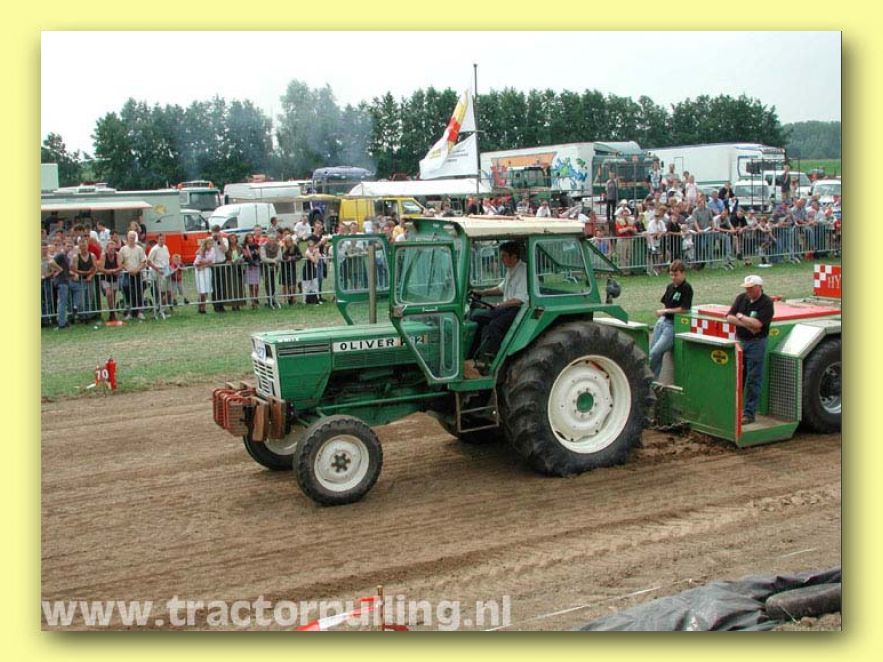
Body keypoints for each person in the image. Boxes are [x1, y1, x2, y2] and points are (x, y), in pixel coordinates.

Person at [464, 241, 528, 377]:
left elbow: (519, 299)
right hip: (507, 307)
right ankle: (473, 357)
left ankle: (493, 360)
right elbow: (501, 288)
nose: (501, 259)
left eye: (504, 256)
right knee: (477, 317)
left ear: (514, 257)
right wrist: (482, 292)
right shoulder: (511, 270)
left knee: (492, 324)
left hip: (517, 309)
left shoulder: (523, 272)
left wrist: (499, 305)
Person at [726, 275, 775, 425]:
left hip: (756, 343)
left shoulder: (766, 303)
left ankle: (749, 413)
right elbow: (729, 317)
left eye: (751, 288)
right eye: (746, 288)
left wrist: (741, 316)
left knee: (754, 378)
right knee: (738, 377)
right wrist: (747, 324)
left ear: (759, 287)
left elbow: (758, 324)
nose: (748, 291)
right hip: (741, 341)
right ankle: (734, 410)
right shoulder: (741, 298)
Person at [649, 260, 693, 379]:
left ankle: (650, 379)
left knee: (655, 352)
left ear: (683, 273)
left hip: (672, 324)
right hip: (662, 322)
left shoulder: (686, 288)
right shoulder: (670, 287)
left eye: (676, 275)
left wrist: (666, 311)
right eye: (671, 275)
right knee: (652, 353)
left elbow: (684, 308)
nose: (673, 278)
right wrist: (663, 312)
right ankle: (653, 379)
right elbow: (666, 303)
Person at [118, 230, 147, 320]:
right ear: (127, 238)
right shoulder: (123, 249)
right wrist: (128, 269)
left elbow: (143, 262)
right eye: (130, 238)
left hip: (138, 274)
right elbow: (120, 262)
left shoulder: (140, 249)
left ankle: (140, 312)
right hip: (127, 274)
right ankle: (129, 312)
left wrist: (137, 270)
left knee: (139, 292)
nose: (132, 239)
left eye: (133, 238)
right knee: (127, 290)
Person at [147, 233, 171, 318]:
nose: (162, 241)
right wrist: (157, 269)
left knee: (166, 292)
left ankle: (162, 309)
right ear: (157, 240)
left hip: (166, 271)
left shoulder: (165, 247)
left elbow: (167, 259)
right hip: (158, 272)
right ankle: (160, 309)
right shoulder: (154, 249)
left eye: (163, 239)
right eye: (160, 239)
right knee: (161, 292)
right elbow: (149, 261)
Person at [209, 225, 229, 312]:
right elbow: (206, 249)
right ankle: (216, 305)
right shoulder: (209, 240)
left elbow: (225, 250)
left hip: (222, 263)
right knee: (215, 285)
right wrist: (213, 240)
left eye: (217, 231)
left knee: (222, 285)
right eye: (214, 232)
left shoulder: (224, 240)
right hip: (213, 264)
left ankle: (221, 304)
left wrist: (220, 240)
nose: (216, 233)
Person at [260, 234, 282, 308]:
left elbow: (280, 257)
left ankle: (273, 298)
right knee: (267, 283)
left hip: (275, 267)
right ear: (267, 239)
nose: (272, 240)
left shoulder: (278, 246)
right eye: (270, 239)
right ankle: (269, 299)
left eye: (273, 239)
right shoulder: (263, 246)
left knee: (273, 282)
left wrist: (274, 260)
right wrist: (272, 260)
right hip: (265, 267)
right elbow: (263, 258)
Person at [280, 234, 302, 305]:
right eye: (287, 241)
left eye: (290, 241)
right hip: (284, 267)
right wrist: (287, 257)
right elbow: (281, 256)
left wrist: (292, 258)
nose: (288, 243)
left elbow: (300, 255)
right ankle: (285, 299)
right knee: (284, 284)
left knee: (293, 284)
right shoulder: (282, 247)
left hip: (292, 267)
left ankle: (292, 298)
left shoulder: (295, 247)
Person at [241, 234, 262, 308]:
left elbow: (259, 255)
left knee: (256, 284)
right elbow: (246, 256)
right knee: (251, 284)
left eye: (251, 237)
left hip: (256, 266)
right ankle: (252, 300)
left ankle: (256, 298)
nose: (250, 239)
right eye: (248, 238)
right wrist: (252, 262)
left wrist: (257, 258)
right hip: (249, 266)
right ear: (246, 239)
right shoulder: (244, 247)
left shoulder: (257, 246)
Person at [194, 238, 213, 314]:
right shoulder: (200, 251)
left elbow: (212, 262)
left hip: (207, 271)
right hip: (200, 272)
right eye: (209, 244)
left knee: (206, 290)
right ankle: (200, 306)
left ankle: (203, 308)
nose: (210, 245)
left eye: (211, 244)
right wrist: (205, 263)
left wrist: (204, 264)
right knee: (202, 290)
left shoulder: (212, 251)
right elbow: (196, 263)